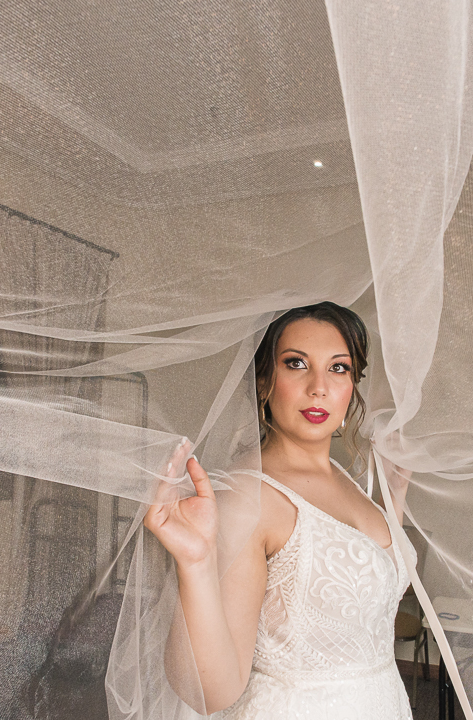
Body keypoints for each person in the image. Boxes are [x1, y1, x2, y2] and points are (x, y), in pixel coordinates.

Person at [144, 302, 414, 718]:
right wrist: (194, 563)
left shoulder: (347, 480)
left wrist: (392, 498)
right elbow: (211, 693)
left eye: (338, 368)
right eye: (296, 364)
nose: (319, 387)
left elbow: (367, 599)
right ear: (265, 382)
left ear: (352, 387)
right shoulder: (249, 499)